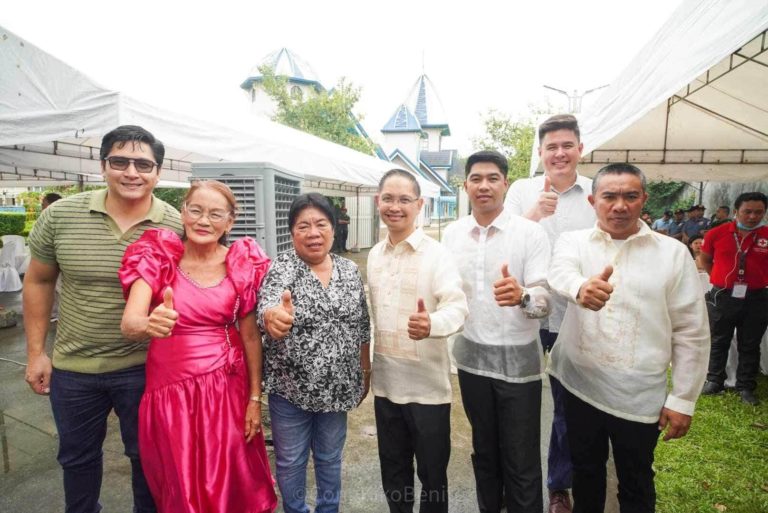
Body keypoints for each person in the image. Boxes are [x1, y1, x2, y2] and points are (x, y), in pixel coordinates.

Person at [24, 125, 183, 513]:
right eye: (120, 161)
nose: (132, 172)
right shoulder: (61, 216)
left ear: (157, 173)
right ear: (103, 165)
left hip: (145, 369)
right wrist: (35, 353)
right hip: (74, 367)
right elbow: (39, 281)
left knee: (147, 461)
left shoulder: (175, 225)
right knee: (77, 461)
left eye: (143, 164)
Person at [548, 163, 710, 513]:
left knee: (636, 480)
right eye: (609, 196)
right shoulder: (573, 242)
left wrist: (683, 399)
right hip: (580, 385)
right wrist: (580, 288)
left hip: (639, 394)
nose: (619, 205)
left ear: (643, 200)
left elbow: (691, 330)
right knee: (586, 473)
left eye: (630, 196)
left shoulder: (672, 253)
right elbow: (560, 273)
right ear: (593, 201)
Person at [118, 180, 277, 513]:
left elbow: (250, 336)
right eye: (196, 210)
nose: (204, 221)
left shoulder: (242, 262)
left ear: (230, 222)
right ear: (183, 211)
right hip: (170, 390)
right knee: (180, 476)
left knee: (229, 477)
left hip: (225, 388)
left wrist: (254, 399)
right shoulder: (158, 255)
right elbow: (130, 323)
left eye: (215, 214)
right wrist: (149, 324)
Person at [444, 150, 551, 513]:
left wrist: (522, 296)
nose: (484, 185)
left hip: (519, 366)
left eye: (493, 178)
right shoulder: (452, 233)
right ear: (466, 186)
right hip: (472, 362)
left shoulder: (530, 233)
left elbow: (544, 300)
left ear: (506, 183)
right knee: (484, 451)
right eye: (476, 178)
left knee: (520, 458)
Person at [504, 113, 595, 513]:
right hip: (521, 315)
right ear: (540, 153)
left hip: (572, 318)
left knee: (565, 405)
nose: (559, 153)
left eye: (566, 145)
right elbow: (500, 244)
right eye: (551, 147)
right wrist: (533, 215)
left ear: (580, 148)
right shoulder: (521, 192)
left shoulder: (596, 193)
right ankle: (513, 483)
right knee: (515, 404)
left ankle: (559, 485)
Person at [258, 192, 371, 513]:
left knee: (330, 458)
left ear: (334, 229)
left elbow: (362, 323)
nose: (313, 233)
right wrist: (272, 317)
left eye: (321, 224)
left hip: (337, 390)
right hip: (291, 391)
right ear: (292, 232)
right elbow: (267, 306)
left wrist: (365, 369)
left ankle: (328, 509)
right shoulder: (282, 267)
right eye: (303, 226)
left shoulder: (349, 270)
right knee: (291, 460)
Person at [368, 169, 468, 513]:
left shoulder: (436, 254)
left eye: (404, 200)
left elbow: (457, 307)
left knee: (432, 476)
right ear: (377, 201)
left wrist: (432, 324)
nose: (395, 207)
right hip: (386, 387)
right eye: (388, 199)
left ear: (419, 204)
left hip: (427, 391)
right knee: (394, 473)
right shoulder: (374, 255)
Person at [699, 192, 768, 406]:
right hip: (723, 295)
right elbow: (706, 259)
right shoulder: (717, 233)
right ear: (736, 211)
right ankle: (714, 380)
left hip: (757, 297)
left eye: (759, 212)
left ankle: (745, 386)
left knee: (750, 343)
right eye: (748, 211)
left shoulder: (766, 235)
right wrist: (719, 279)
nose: (753, 216)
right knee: (719, 340)